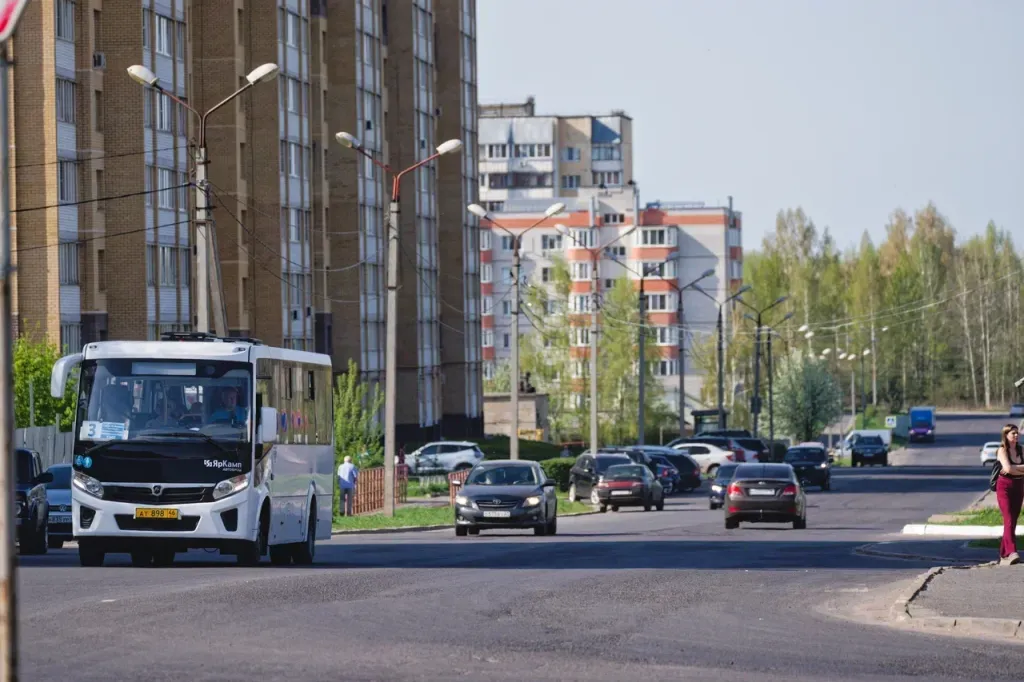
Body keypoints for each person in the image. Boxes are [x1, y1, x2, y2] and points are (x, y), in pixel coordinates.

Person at [995, 424, 1024, 565]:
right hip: (1004, 486)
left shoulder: (1021, 450)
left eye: (1017, 433)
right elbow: (1007, 469)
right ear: (1006, 435)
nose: (1016, 436)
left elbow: (1011, 469)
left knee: (1013, 520)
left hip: (1018, 486)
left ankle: (1003, 553)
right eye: (1013, 433)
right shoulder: (1002, 450)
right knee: (1008, 518)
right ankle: (1012, 552)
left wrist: (1014, 469)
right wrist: (1018, 469)